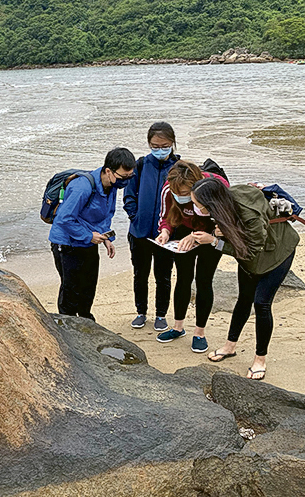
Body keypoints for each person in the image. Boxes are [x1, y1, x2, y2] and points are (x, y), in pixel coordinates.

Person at [190, 178, 299, 380]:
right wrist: (219, 232)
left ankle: (260, 359)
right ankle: (230, 346)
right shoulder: (224, 201)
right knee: (243, 298)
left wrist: (215, 241)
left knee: (261, 304)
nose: (195, 208)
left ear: (211, 203)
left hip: (278, 252)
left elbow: (252, 250)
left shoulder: (248, 212)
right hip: (253, 256)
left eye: (198, 205)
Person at [49, 147, 136, 320]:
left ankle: (86, 321)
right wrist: (89, 236)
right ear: (108, 171)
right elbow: (64, 219)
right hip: (66, 244)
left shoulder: (111, 186)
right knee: (70, 290)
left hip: (88, 243)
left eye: (129, 177)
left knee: (88, 288)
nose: (125, 182)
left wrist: (107, 237)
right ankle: (68, 326)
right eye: (123, 177)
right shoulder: (82, 187)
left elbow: (106, 215)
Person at [154, 161, 229, 352]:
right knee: (183, 278)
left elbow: (225, 222)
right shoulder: (169, 189)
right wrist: (165, 232)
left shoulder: (216, 187)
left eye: (185, 194)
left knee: (204, 280)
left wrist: (198, 237)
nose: (179, 197)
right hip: (184, 230)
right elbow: (166, 216)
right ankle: (178, 327)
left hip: (210, 233)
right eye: (176, 193)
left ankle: (199, 332)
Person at [123, 122, 179, 331]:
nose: (159, 149)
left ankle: (161, 314)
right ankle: (141, 312)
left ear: (172, 143)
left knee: (163, 276)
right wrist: (135, 216)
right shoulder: (140, 165)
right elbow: (129, 194)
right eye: (155, 145)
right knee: (140, 274)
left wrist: (171, 226)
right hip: (139, 232)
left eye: (164, 145)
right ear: (149, 144)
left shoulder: (178, 168)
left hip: (166, 233)